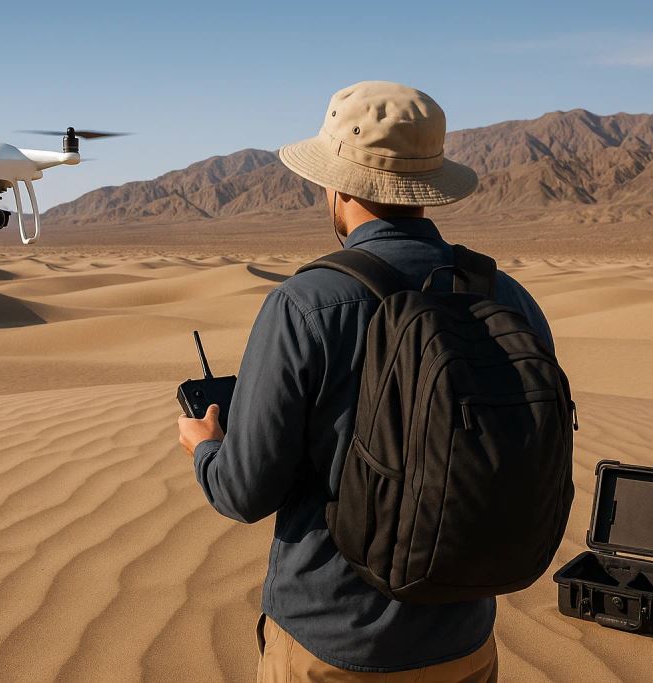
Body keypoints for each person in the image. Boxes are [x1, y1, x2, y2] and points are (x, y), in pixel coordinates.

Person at [177, 81, 555, 682]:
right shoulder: (507, 298)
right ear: (428, 185)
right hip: (465, 646)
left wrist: (204, 449)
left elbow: (244, 492)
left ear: (337, 186)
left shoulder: (307, 304)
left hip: (332, 648)